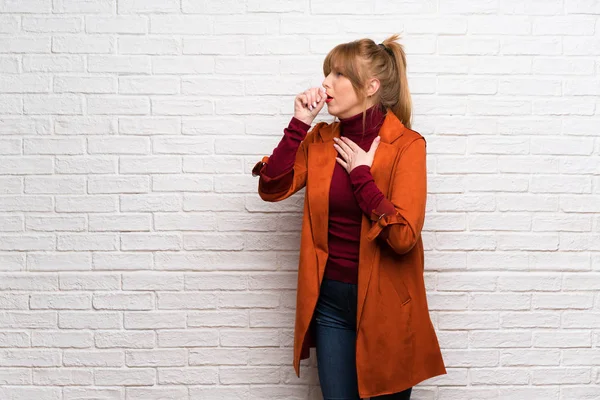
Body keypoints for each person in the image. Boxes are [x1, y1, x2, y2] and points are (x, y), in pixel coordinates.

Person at [252, 34, 446, 400]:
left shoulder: (407, 146)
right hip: (331, 304)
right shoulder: (322, 140)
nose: (326, 83)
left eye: (338, 74)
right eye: (327, 73)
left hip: (386, 304)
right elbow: (271, 188)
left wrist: (361, 176)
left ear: (371, 86)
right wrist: (299, 124)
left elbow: (404, 237)